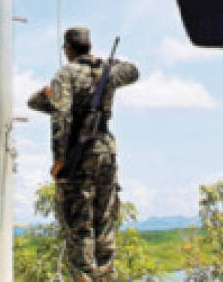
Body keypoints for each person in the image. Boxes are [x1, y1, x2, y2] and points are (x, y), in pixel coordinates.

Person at [27, 26, 139, 282]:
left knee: (80, 230)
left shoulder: (65, 74)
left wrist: (59, 159)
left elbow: (61, 117)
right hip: (104, 150)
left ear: (68, 49)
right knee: (104, 224)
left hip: (78, 154)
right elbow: (133, 71)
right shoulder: (105, 73)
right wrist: (106, 64)